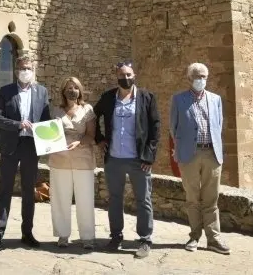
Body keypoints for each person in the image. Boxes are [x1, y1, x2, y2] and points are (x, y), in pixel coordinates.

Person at [94, 60, 160, 259]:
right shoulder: (108, 97)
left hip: (138, 159)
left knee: (144, 199)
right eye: (122, 75)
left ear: (135, 75)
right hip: (114, 157)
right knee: (115, 199)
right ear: (117, 77)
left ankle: (145, 239)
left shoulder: (147, 98)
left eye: (129, 75)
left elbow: (155, 128)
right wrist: (99, 139)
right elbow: (92, 116)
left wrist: (149, 156)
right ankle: (116, 237)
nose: (126, 78)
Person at [0, 55, 51, 252]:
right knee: (5, 190)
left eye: (29, 68)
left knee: (28, 190)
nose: (26, 71)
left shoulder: (42, 92)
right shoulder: (6, 91)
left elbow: (46, 120)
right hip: (10, 146)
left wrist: (48, 140)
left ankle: (27, 232)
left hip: (31, 147)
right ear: (16, 71)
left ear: (33, 70)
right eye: (22, 68)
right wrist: (18, 124)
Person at [170, 63, 229, 254]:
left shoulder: (215, 99)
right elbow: (174, 128)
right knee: (193, 198)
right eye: (197, 76)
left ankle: (214, 238)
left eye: (203, 76)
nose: (200, 79)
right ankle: (194, 236)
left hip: (211, 153)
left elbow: (218, 125)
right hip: (189, 155)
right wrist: (182, 148)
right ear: (189, 78)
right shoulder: (178, 100)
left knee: (212, 199)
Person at [47, 77, 97, 249]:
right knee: (60, 199)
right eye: (69, 87)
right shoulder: (55, 110)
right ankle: (62, 235)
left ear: (80, 90)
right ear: (63, 91)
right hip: (59, 158)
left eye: (76, 87)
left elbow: (91, 135)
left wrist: (79, 142)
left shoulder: (87, 109)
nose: (72, 90)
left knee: (85, 199)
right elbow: (48, 133)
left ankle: (88, 236)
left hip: (83, 158)